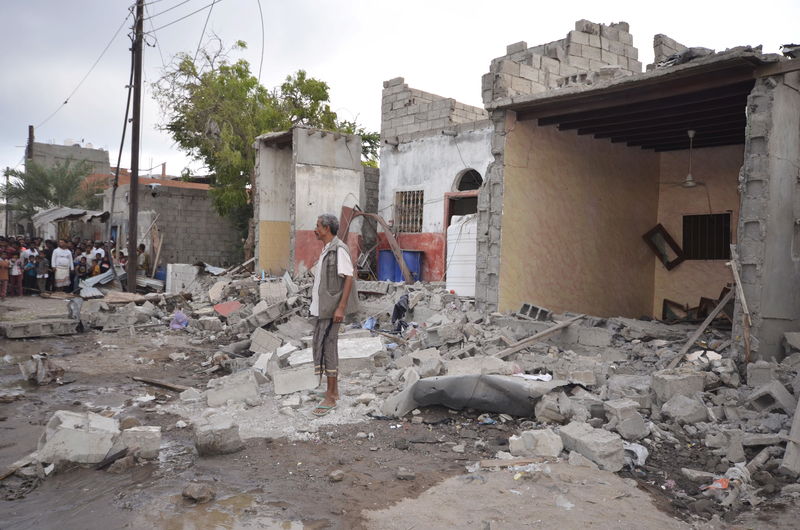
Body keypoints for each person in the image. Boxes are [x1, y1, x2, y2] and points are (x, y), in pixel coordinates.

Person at [309, 213, 359, 417]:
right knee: (323, 345)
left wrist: (341, 307)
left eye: (318, 226)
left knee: (329, 348)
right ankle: (333, 390)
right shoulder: (327, 250)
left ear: (326, 229)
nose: (315, 230)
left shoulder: (339, 250)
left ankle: (331, 395)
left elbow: (349, 277)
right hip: (324, 308)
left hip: (332, 309)